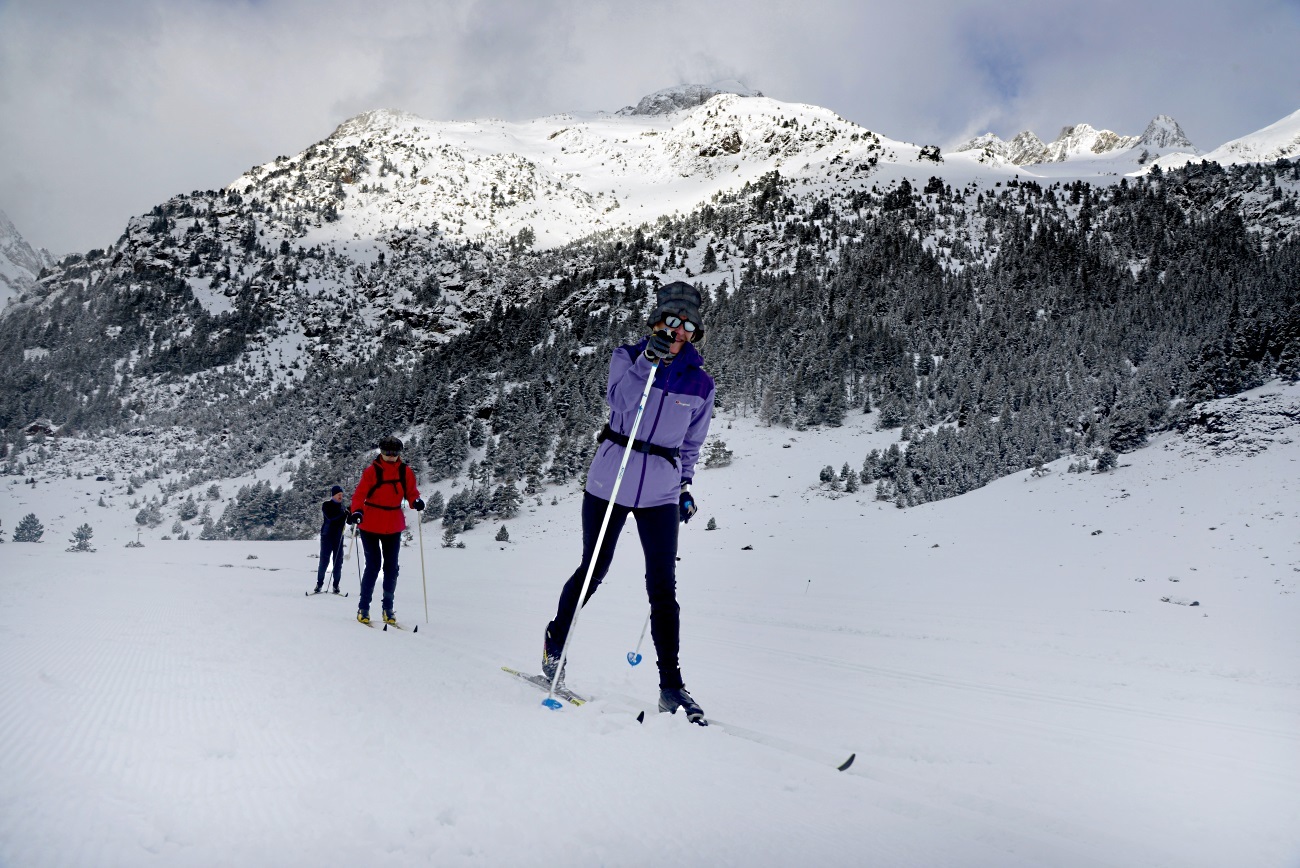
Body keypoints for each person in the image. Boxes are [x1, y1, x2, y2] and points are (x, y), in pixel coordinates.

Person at [542, 281, 715, 722]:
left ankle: (671, 687)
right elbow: (618, 403)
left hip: (660, 491)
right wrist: (645, 363)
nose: (678, 331)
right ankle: (555, 641)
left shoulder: (700, 383)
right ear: (656, 321)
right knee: (593, 570)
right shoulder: (627, 357)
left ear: (695, 333)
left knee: (663, 589)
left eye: (688, 326)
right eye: (671, 321)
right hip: (609, 483)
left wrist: (685, 486)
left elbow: (692, 443)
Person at [348, 436, 424, 625]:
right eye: (387, 452)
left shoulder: (405, 472)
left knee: (391, 568)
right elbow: (359, 495)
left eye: (395, 453)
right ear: (380, 451)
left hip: (393, 524)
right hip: (371, 524)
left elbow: (411, 492)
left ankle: (387, 609)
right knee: (373, 566)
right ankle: (363, 607)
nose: (391, 456)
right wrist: (357, 511)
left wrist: (416, 501)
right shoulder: (371, 472)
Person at [315, 484, 348, 593]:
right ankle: (319, 584)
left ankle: (336, 585)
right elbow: (331, 517)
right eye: (339, 494)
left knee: (338, 562)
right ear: (333, 495)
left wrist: (353, 515)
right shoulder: (326, 505)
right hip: (327, 536)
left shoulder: (343, 508)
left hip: (338, 537)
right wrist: (343, 513)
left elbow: (348, 520)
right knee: (324, 561)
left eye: (341, 495)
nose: (340, 497)